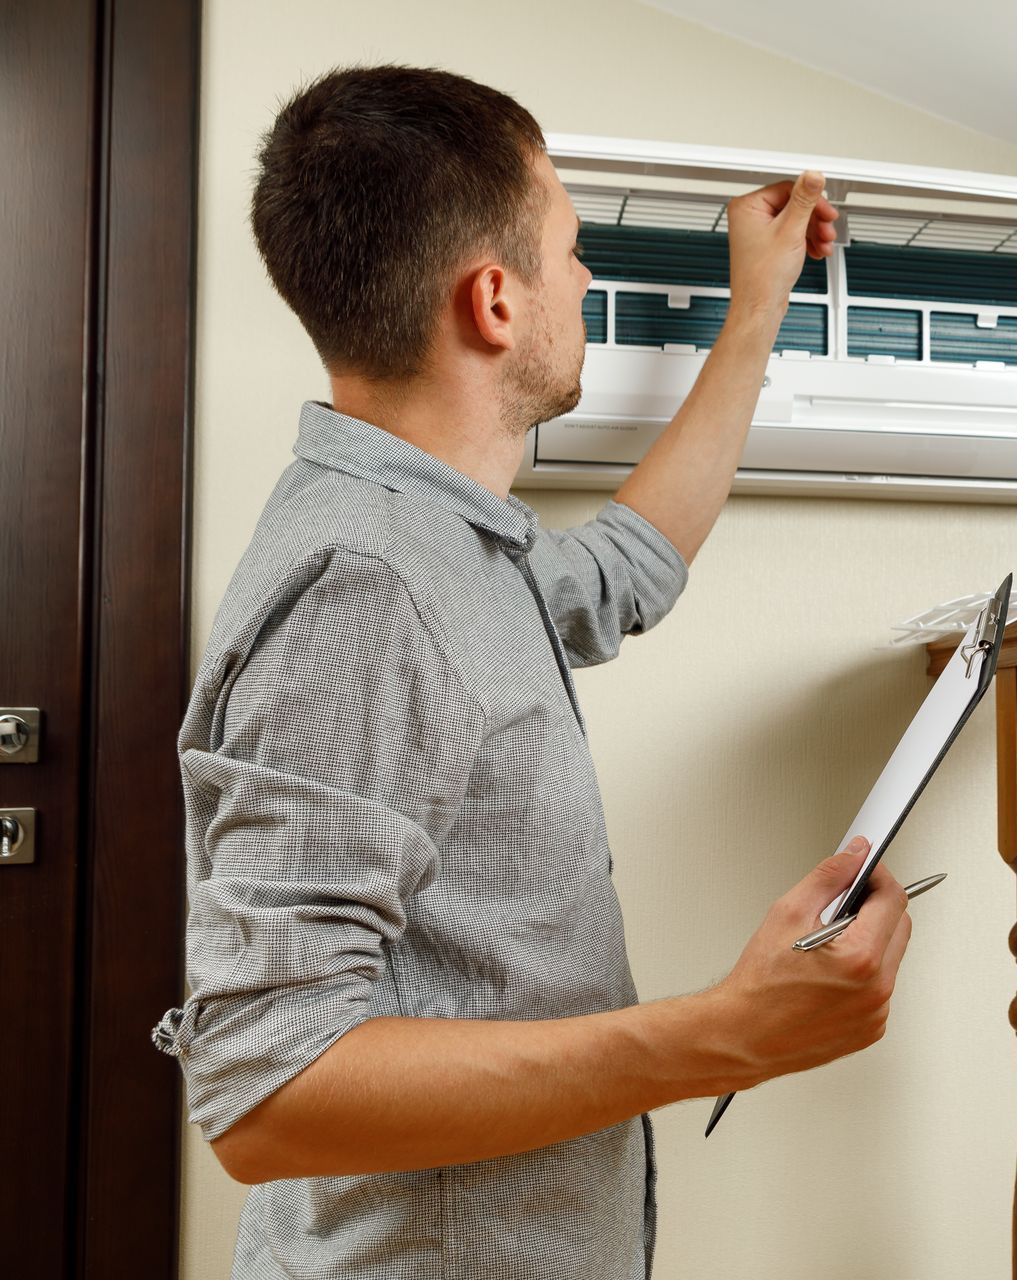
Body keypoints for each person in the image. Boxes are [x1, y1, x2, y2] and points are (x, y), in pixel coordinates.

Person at [151, 64, 914, 1279]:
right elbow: (269, 1087)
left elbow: (624, 569)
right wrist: (730, 1031)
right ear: (495, 301)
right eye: (570, 248)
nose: (588, 276)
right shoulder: (369, 583)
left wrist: (756, 311)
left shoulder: (443, 541)